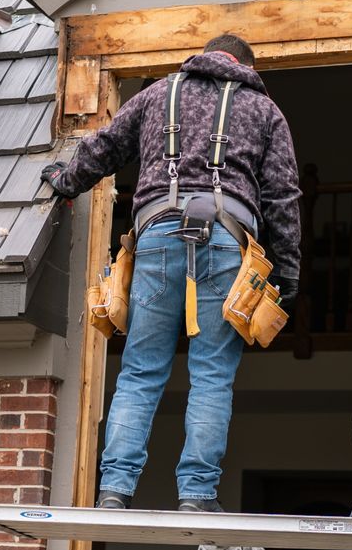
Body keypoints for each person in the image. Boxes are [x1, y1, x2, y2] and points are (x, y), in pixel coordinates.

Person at [40, 34, 299, 512]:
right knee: (212, 375)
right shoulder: (265, 112)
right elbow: (283, 197)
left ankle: (114, 491)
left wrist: (64, 180)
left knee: (139, 372)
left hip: (156, 236)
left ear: (204, 56)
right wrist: (286, 273)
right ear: (245, 65)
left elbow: (104, 147)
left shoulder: (159, 93)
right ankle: (197, 495)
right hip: (226, 241)